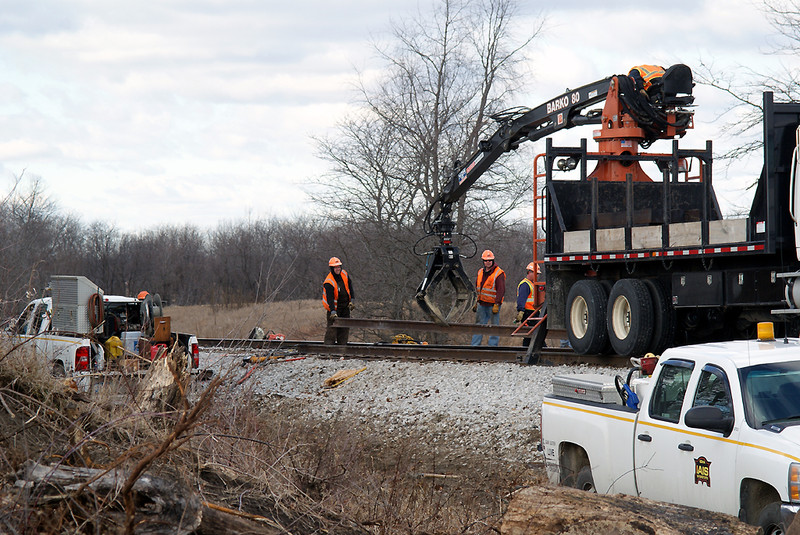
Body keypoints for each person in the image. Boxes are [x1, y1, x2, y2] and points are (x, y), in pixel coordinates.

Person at [471, 250, 505, 347]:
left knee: (494, 327)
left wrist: (497, 304)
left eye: (490, 260)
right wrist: (476, 301)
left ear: (493, 260)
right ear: (483, 261)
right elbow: (478, 288)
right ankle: (475, 346)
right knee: (479, 326)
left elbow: (501, 290)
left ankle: (492, 347)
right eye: (486, 260)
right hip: (482, 304)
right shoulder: (480, 272)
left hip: (493, 305)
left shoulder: (499, 273)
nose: (488, 262)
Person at [322, 256, 354, 345]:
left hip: (345, 307)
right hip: (334, 309)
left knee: (344, 329)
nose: (338, 269)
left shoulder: (344, 274)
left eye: (339, 266)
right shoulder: (329, 282)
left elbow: (350, 287)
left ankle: (342, 348)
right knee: (332, 330)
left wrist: (352, 300)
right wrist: (332, 311)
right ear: (332, 268)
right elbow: (330, 298)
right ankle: (328, 349)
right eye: (335, 267)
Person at [514, 262, 544, 347]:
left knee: (531, 335)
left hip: (533, 313)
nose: (537, 276)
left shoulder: (532, 284)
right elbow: (521, 299)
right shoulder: (525, 284)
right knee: (532, 335)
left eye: (538, 274)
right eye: (535, 273)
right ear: (529, 272)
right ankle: (541, 349)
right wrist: (521, 311)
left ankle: (527, 352)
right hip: (528, 313)